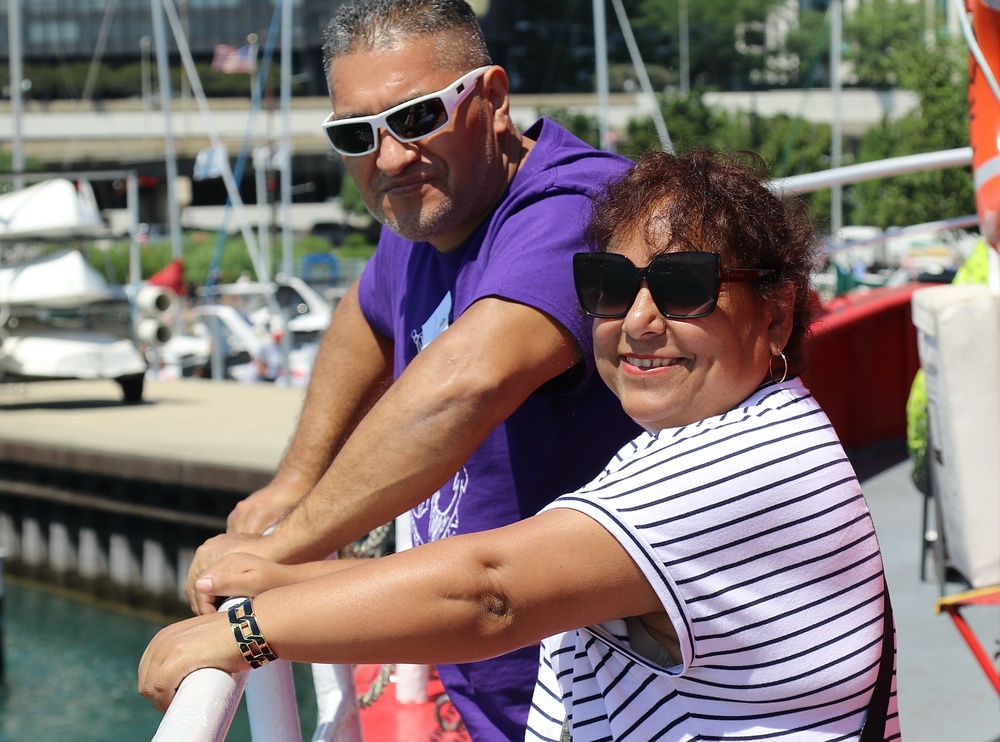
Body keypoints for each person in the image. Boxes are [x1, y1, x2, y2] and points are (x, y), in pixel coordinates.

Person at [141, 149, 901, 741]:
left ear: (776, 315)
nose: (638, 320)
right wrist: (288, 577)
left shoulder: (732, 465)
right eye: (609, 285)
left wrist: (243, 630)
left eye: (683, 287)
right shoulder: (753, 428)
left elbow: (491, 592)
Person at [181, 1, 639, 739]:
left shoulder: (576, 208)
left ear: (491, 99)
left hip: (599, 704)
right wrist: (295, 481)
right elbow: (365, 316)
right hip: (491, 689)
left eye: (419, 116)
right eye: (357, 134)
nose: (390, 157)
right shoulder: (428, 216)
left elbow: (468, 382)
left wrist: (282, 551)